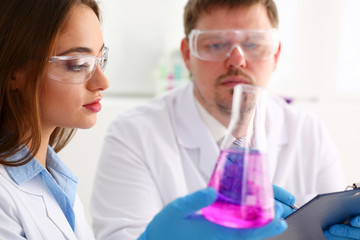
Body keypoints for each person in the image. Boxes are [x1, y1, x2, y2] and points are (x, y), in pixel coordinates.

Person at [0, 0, 288, 239]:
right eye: (79, 65)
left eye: (101, 61)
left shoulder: (55, 182)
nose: (103, 81)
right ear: (14, 71)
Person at [91, 0, 350, 239]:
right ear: (187, 55)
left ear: (276, 55)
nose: (237, 60)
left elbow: (332, 225)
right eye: (215, 44)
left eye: (253, 44)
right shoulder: (133, 135)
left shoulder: (308, 131)